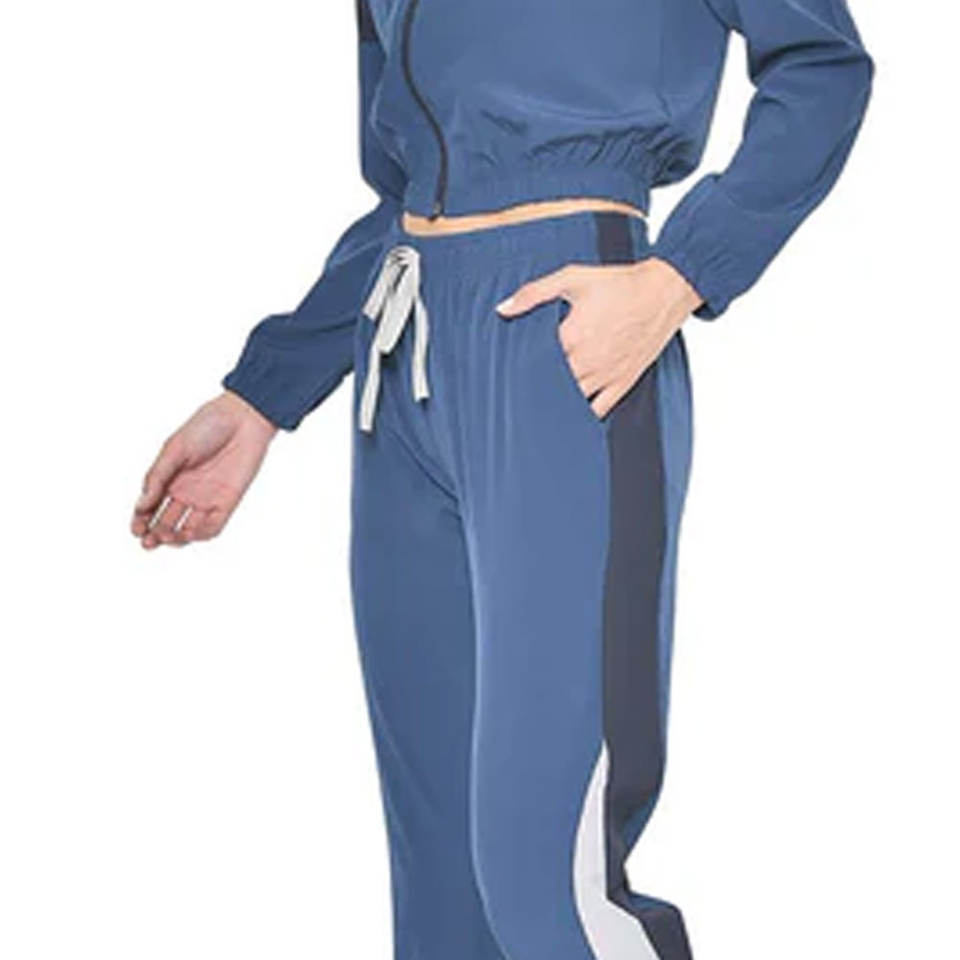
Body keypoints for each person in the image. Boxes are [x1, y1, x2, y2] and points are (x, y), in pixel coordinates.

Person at [130, 1, 872, 957]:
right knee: (445, 891)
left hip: (564, 334)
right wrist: (264, 395)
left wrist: (680, 273)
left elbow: (823, 64)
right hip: (404, 359)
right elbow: (409, 192)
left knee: (547, 880)